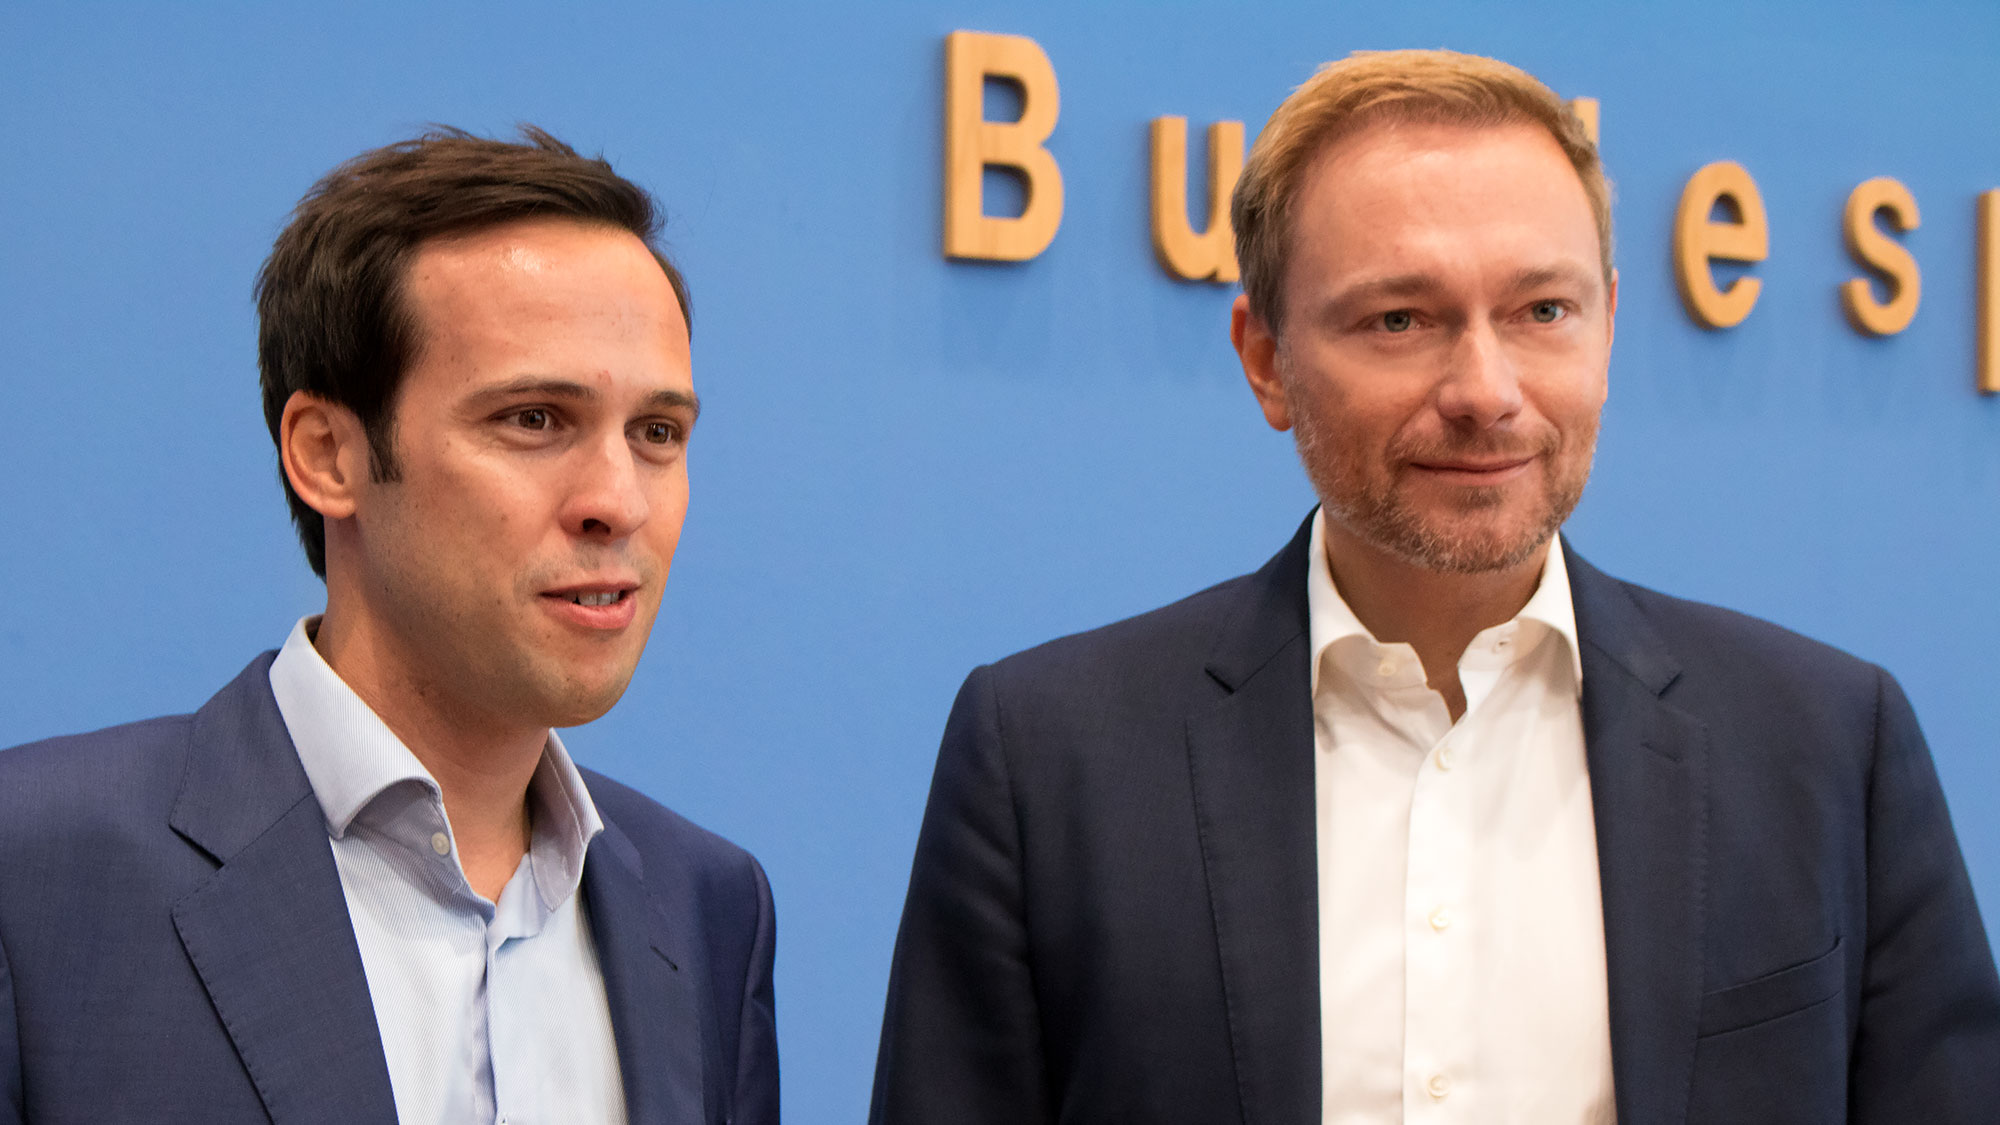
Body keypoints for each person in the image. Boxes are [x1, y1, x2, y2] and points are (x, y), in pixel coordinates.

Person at [870, 50, 2000, 1124]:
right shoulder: (1046, 756)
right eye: (1399, 319)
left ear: (1606, 324)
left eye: (1540, 311)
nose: (1483, 389)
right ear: (1264, 359)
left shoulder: (1824, 744)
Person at [0, 128, 777, 1124]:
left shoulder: (708, 908)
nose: (617, 502)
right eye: (534, 419)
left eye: (656, 434)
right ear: (328, 454)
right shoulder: (34, 875)